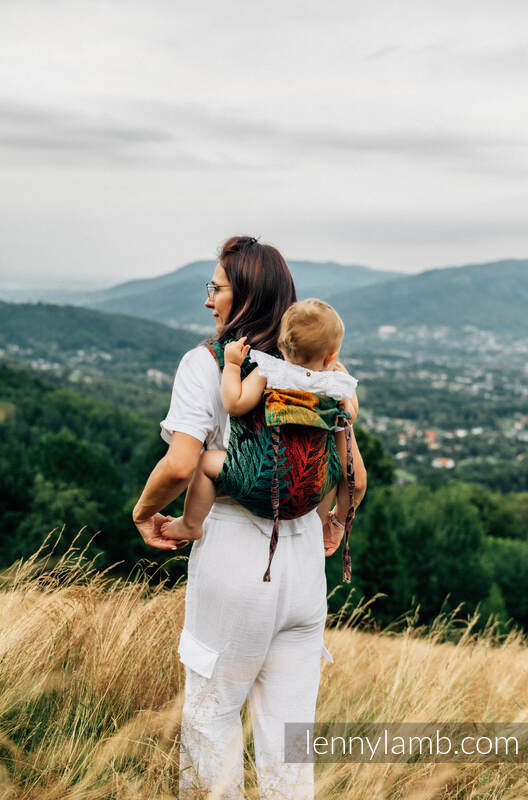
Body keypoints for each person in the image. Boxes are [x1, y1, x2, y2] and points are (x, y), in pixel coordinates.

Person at [132, 236, 367, 800]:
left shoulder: (209, 364)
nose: (207, 300)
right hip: (305, 562)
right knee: (290, 743)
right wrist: (337, 522)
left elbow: (184, 462)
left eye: (214, 288)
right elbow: (353, 476)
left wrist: (144, 511)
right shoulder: (319, 373)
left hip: (237, 557)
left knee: (211, 722)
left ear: (243, 296)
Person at [160, 299, 359, 586]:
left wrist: (231, 365)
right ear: (331, 356)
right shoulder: (333, 385)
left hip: (261, 480)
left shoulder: (270, 371)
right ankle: (315, 524)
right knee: (329, 464)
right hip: (308, 494)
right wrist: (343, 383)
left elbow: (235, 403)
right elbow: (348, 415)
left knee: (206, 462)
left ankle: (190, 524)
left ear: (281, 344)